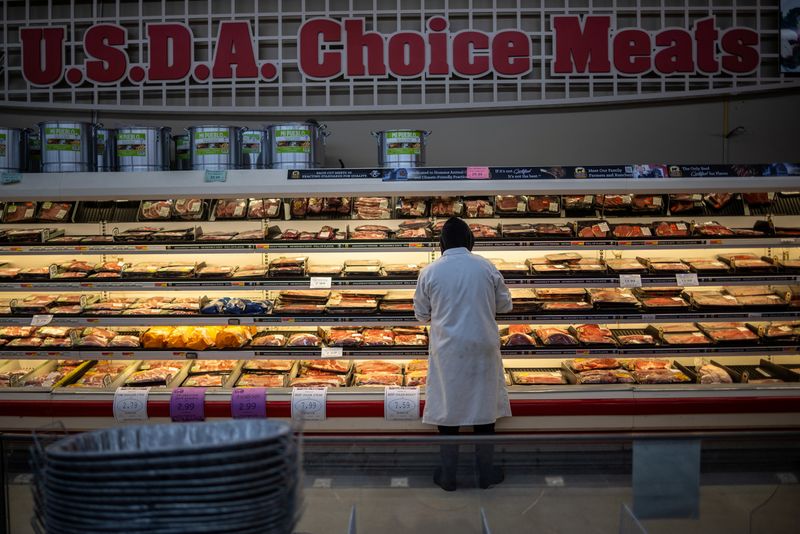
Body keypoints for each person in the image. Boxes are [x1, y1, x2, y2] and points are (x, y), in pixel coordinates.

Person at [413, 216, 513, 491]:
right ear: (471, 241)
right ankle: (485, 474)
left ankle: (448, 476)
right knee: (485, 410)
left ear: (441, 243)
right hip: (482, 347)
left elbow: (421, 314)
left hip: (448, 350)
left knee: (449, 412)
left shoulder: (430, 271)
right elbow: (505, 306)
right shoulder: (486, 266)